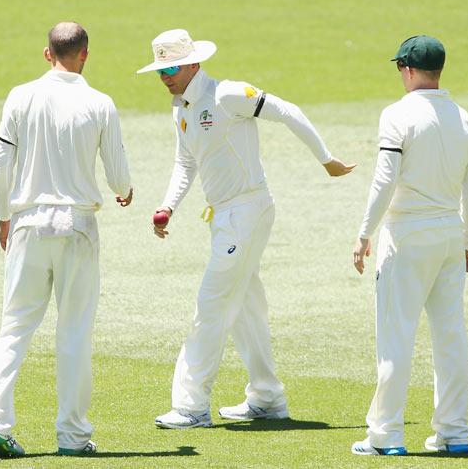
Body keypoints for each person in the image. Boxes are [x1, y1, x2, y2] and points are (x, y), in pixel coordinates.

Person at [136, 29, 356, 429]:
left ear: (192, 63)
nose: (165, 76)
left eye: (170, 68)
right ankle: (267, 398)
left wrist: (326, 159)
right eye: (159, 70)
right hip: (223, 216)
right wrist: (168, 206)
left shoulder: (228, 94)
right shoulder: (180, 108)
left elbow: (286, 110)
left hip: (248, 210)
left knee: (212, 305)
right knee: (245, 309)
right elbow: (186, 163)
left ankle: (191, 407)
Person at [0, 22, 133, 458]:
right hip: (79, 226)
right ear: (85, 55)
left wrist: (3, 216)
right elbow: (118, 172)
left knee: (13, 328)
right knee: (74, 332)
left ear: (48, 53)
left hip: (27, 222)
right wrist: (125, 190)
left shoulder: (20, 95)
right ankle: (73, 437)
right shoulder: (100, 102)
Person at [351, 35, 468, 456]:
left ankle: (386, 436)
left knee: (396, 335)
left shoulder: (396, 114)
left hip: (406, 236)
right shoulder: (465, 119)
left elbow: (384, 180)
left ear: (408, 70)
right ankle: (454, 433)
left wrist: (363, 233)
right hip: (449, 235)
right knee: (450, 336)